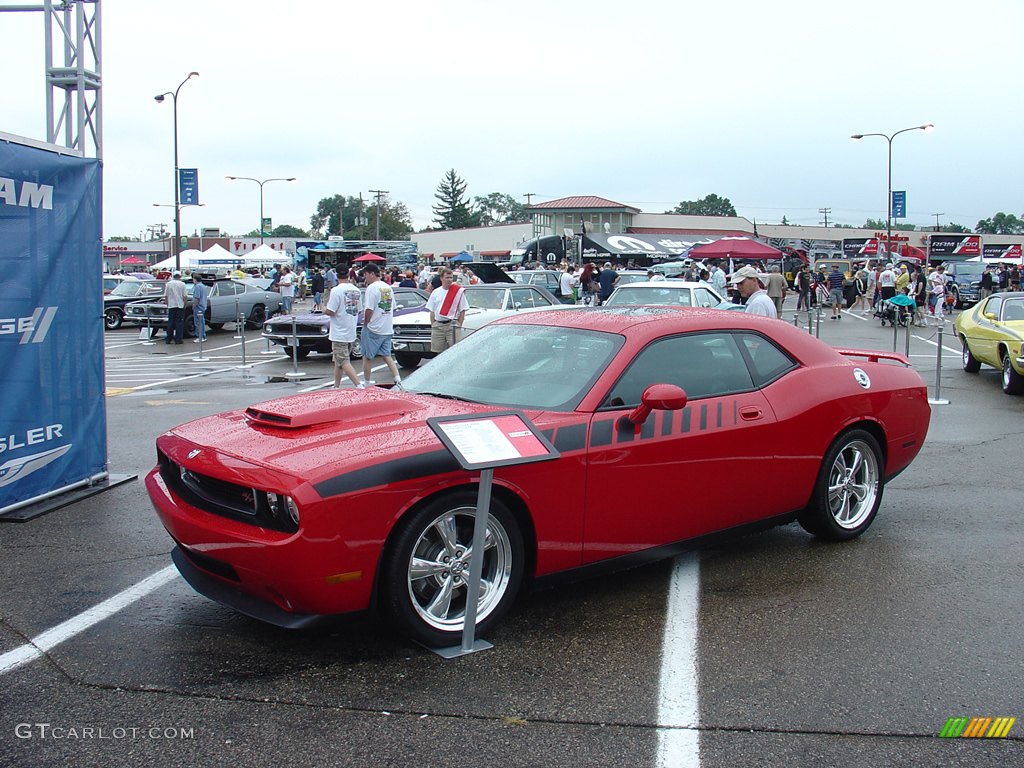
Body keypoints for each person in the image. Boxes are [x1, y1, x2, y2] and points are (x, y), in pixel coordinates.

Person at [359, 263, 403, 387]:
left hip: (374, 327)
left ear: (372, 274)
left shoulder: (372, 288)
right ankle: (397, 378)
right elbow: (392, 306)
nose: (365, 278)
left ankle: (366, 382)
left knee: (367, 356)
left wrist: (366, 323)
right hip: (387, 327)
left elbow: (369, 309)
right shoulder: (387, 287)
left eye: (366, 274)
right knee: (386, 355)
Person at [322, 269, 364, 388]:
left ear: (337, 276)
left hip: (339, 332)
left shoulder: (336, 290)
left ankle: (358, 385)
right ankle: (336, 386)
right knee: (338, 361)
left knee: (343, 361)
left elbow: (331, 311)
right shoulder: (356, 290)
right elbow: (359, 309)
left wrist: (323, 308)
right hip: (351, 330)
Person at [425, 267, 470, 354]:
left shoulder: (457, 292)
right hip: (438, 326)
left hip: (452, 325)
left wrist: (459, 325)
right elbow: (432, 310)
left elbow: (462, 310)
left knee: (456, 351)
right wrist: (433, 324)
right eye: (447, 277)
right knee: (437, 352)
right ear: (441, 278)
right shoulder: (436, 292)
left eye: (451, 278)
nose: (449, 280)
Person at [164, 270, 188, 344]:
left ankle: (168, 338)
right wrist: (185, 304)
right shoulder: (182, 284)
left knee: (170, 322)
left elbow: (166, 296)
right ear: (180, 276)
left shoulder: (168, 284)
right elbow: (185, 296)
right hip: (180, 305)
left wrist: (167, 304)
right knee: (179, 323)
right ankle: (178, 339)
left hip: (171, 305)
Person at [191, 273, 209, 342]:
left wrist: (194, 305)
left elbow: (197, 298)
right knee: (202, 322)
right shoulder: (203, 286)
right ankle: (203, 336)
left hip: (198, 307)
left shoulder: (197, 287)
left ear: (195, 279)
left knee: (198, 322)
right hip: (203, 306)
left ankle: (200, 336)